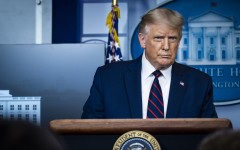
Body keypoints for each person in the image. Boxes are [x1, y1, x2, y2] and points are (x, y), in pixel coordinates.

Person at [81, 7, 217, 119]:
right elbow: (88, 129)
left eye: (172, 38)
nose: (166, 46)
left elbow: (211, 136)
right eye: (158, 38)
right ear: (142, 40)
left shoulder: (199, 83)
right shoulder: (108, 78)